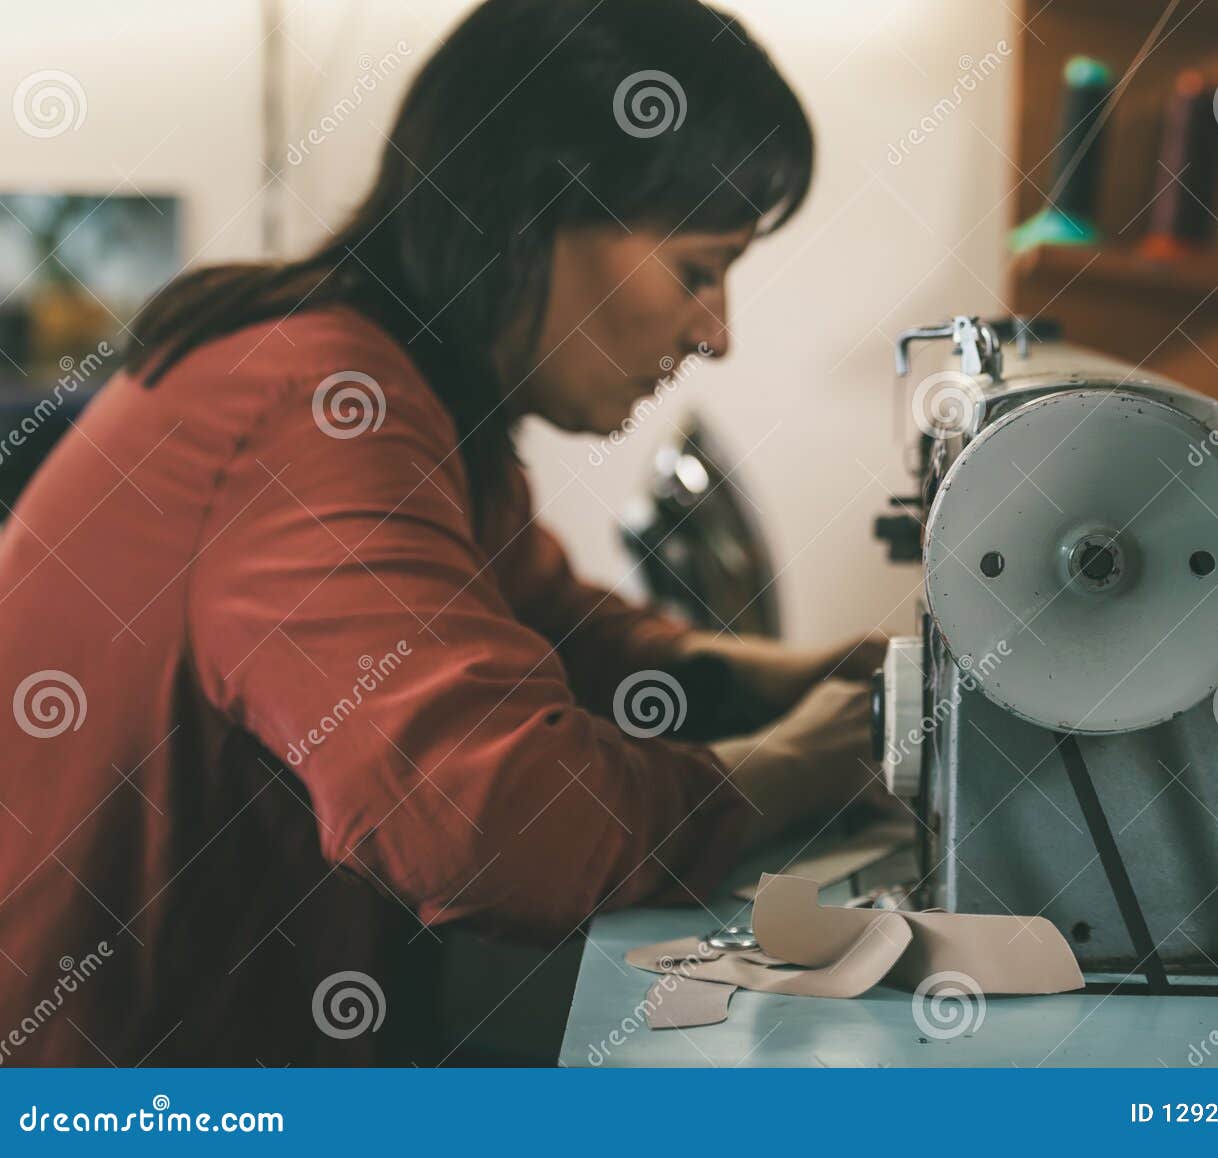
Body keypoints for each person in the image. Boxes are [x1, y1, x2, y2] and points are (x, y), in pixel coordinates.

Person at [0, 0, 883, 1065]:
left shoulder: (405, 392)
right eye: (698, 269)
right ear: (534, 207)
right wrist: (792, 767)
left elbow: (554, 632)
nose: (716, 334)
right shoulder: (319, 406)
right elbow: (494, 827)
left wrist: (799, 682)